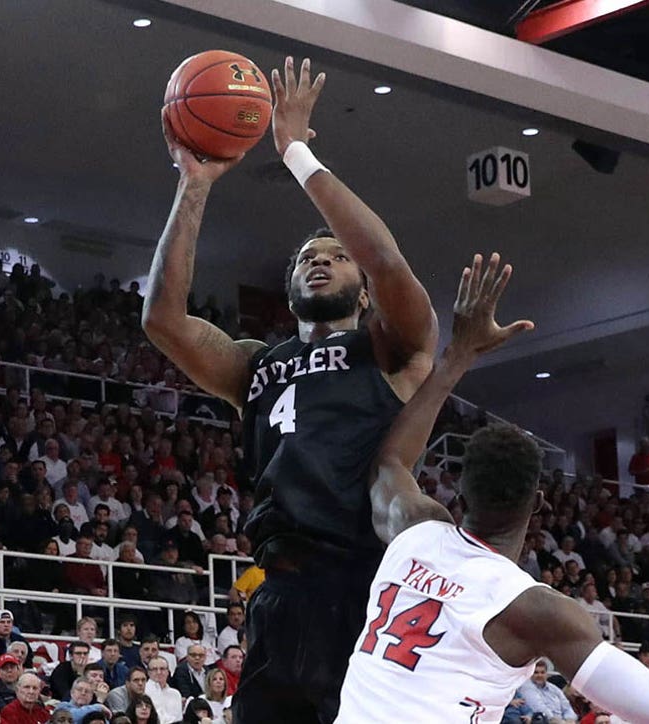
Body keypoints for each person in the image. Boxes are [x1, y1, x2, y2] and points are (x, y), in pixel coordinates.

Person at [335, 256, 649, 723]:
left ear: (457, 492)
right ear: (539, 504)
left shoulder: (413, 531)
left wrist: (458, 354)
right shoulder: (532, 606)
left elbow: (392, 461)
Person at [144, 56, 438, 723]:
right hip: (276, 589)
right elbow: (163, 321)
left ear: (362, 291)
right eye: (308, 257)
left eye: (335, 256)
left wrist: (297, 151)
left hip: (359, 579)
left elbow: (387, 260)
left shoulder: (392, 347)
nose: (320, 260)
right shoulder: (256, 362)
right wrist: (194, 182)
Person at [142, 657, 182, 724]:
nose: (159, 672)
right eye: (154, 669)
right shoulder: (144, 691)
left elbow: (178, 718)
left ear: (168, 672)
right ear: (148, 672)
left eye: (162, 669)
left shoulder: (175, 693)